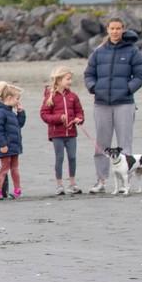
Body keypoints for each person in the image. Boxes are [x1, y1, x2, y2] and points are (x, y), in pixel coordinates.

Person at [83, 17, 142, 193]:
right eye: (112, 28)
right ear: (107, 30)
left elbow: (141, 75)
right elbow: (89, 74)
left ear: (123, 29)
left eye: (118, 28)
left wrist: (127, 89)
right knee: (101, 145)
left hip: (124, 103)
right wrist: (93, 87)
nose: (115, 31)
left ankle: (126, 183)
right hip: (101, 103)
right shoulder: (99, 51)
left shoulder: (132, 51)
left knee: (125, 144)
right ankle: (101, 181)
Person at [39, 65, 85, 196]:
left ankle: (72, 183)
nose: (70, 82)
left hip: (71, 133)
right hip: (57, 134)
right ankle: (59, 185)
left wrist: (79, 119)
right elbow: (44, 114)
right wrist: (59, 118)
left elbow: (80, 112)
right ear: (59, 80)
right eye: (68, 79)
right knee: (59, 158)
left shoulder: (73, 96)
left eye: (70, 79)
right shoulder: (50, 97)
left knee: (72, 157)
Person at [0, 81, 25, 201]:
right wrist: (2, 144)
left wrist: (21, 113)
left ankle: (17, 190)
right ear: (8, 98)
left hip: (13, 145)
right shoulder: (0, 112)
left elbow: (19, 125)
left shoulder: (10, 112)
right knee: (4, 168)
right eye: (17, 99)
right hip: (4, 146)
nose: (18, 101)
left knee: (15, 168)